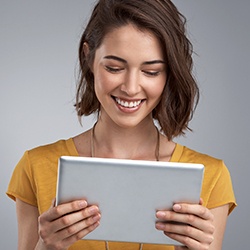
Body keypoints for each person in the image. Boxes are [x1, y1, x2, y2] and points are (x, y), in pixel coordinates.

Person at [7, 0, 236, 249]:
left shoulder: (211, 176)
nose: (130, 87)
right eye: (114, 67)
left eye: (151, 71)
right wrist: (46, 246)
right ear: (88, 57)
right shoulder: (35, 166)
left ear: (169, 73)